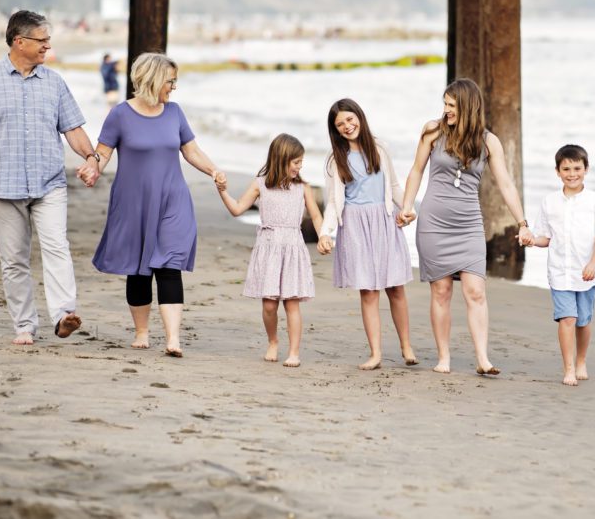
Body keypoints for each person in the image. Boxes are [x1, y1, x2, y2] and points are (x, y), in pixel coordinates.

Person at [0, 9, 100, 346]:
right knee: (13, 260)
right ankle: (25, 326)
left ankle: (64, 314)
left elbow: (73, 128)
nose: (47, 47)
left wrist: (92, 157)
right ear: (18, 41)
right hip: (4, 184)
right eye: (42, 41)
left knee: (57, 247)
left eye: (48, 41)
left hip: (49, 182)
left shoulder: (54, 82)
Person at [91, 53, 225, 358]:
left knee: (169, 264)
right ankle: (141, 332)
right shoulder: (120, 115)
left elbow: (190, 150)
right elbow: (102, 153)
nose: (174, 87)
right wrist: (92, 167)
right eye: (171, 81)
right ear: (153, 79)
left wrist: (214, 170)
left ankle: (173, 337)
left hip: (173, 198)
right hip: (133, 201)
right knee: (138, 269)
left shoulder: (175, 112)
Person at [398, 78, 531, 375]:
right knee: (442, 291)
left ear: (469, 107)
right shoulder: (432, 132)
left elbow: (506, 184)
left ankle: (483, 359)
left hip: (469, 224)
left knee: (475, 291)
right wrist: (407, 206)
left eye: (452, 106)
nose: (446, 111)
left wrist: (522, 222)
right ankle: (443, 357)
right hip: (434, 222)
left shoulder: (488, 141)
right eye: (444, 104)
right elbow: (416, 170)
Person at [319, 98, 417, 370]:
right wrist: (325, 232)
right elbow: (334, 202)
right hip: (354, 227)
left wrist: (408, 208)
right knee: (369, 292)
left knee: (396, 287)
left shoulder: (380, 148)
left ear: (359, 117)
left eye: (350, 120)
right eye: (340, 124)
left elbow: (395, 186)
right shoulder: (334, 160)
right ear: (335, 130)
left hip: (384, 222)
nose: (347, 126)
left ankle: (406, 346)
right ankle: (375, 353)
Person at [216, 134, 326, 368]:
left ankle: (294, 351)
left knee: (292, 303)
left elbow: (316, 215)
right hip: (268, 247)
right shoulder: (260, 184)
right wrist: (223, 191)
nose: (299, 167)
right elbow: (237, 209)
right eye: (295, 162)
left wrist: (323, 235)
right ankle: (273, 341)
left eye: (301, 163)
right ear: (281, 159)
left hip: (293, 247)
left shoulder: (302, 188)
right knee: (269, 305)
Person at [520, 144, 595, 386]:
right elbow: (545, 238)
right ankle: (569, 368)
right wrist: (531, 240)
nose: (572, 174)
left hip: (586, 272)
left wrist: (593, 263)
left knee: (583, 321)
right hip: (560, 271)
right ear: (557, 171)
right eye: (566, 169)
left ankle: (581, 360)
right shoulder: (550, 202)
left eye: (577, 168)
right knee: (567, 319)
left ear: (586, 169)